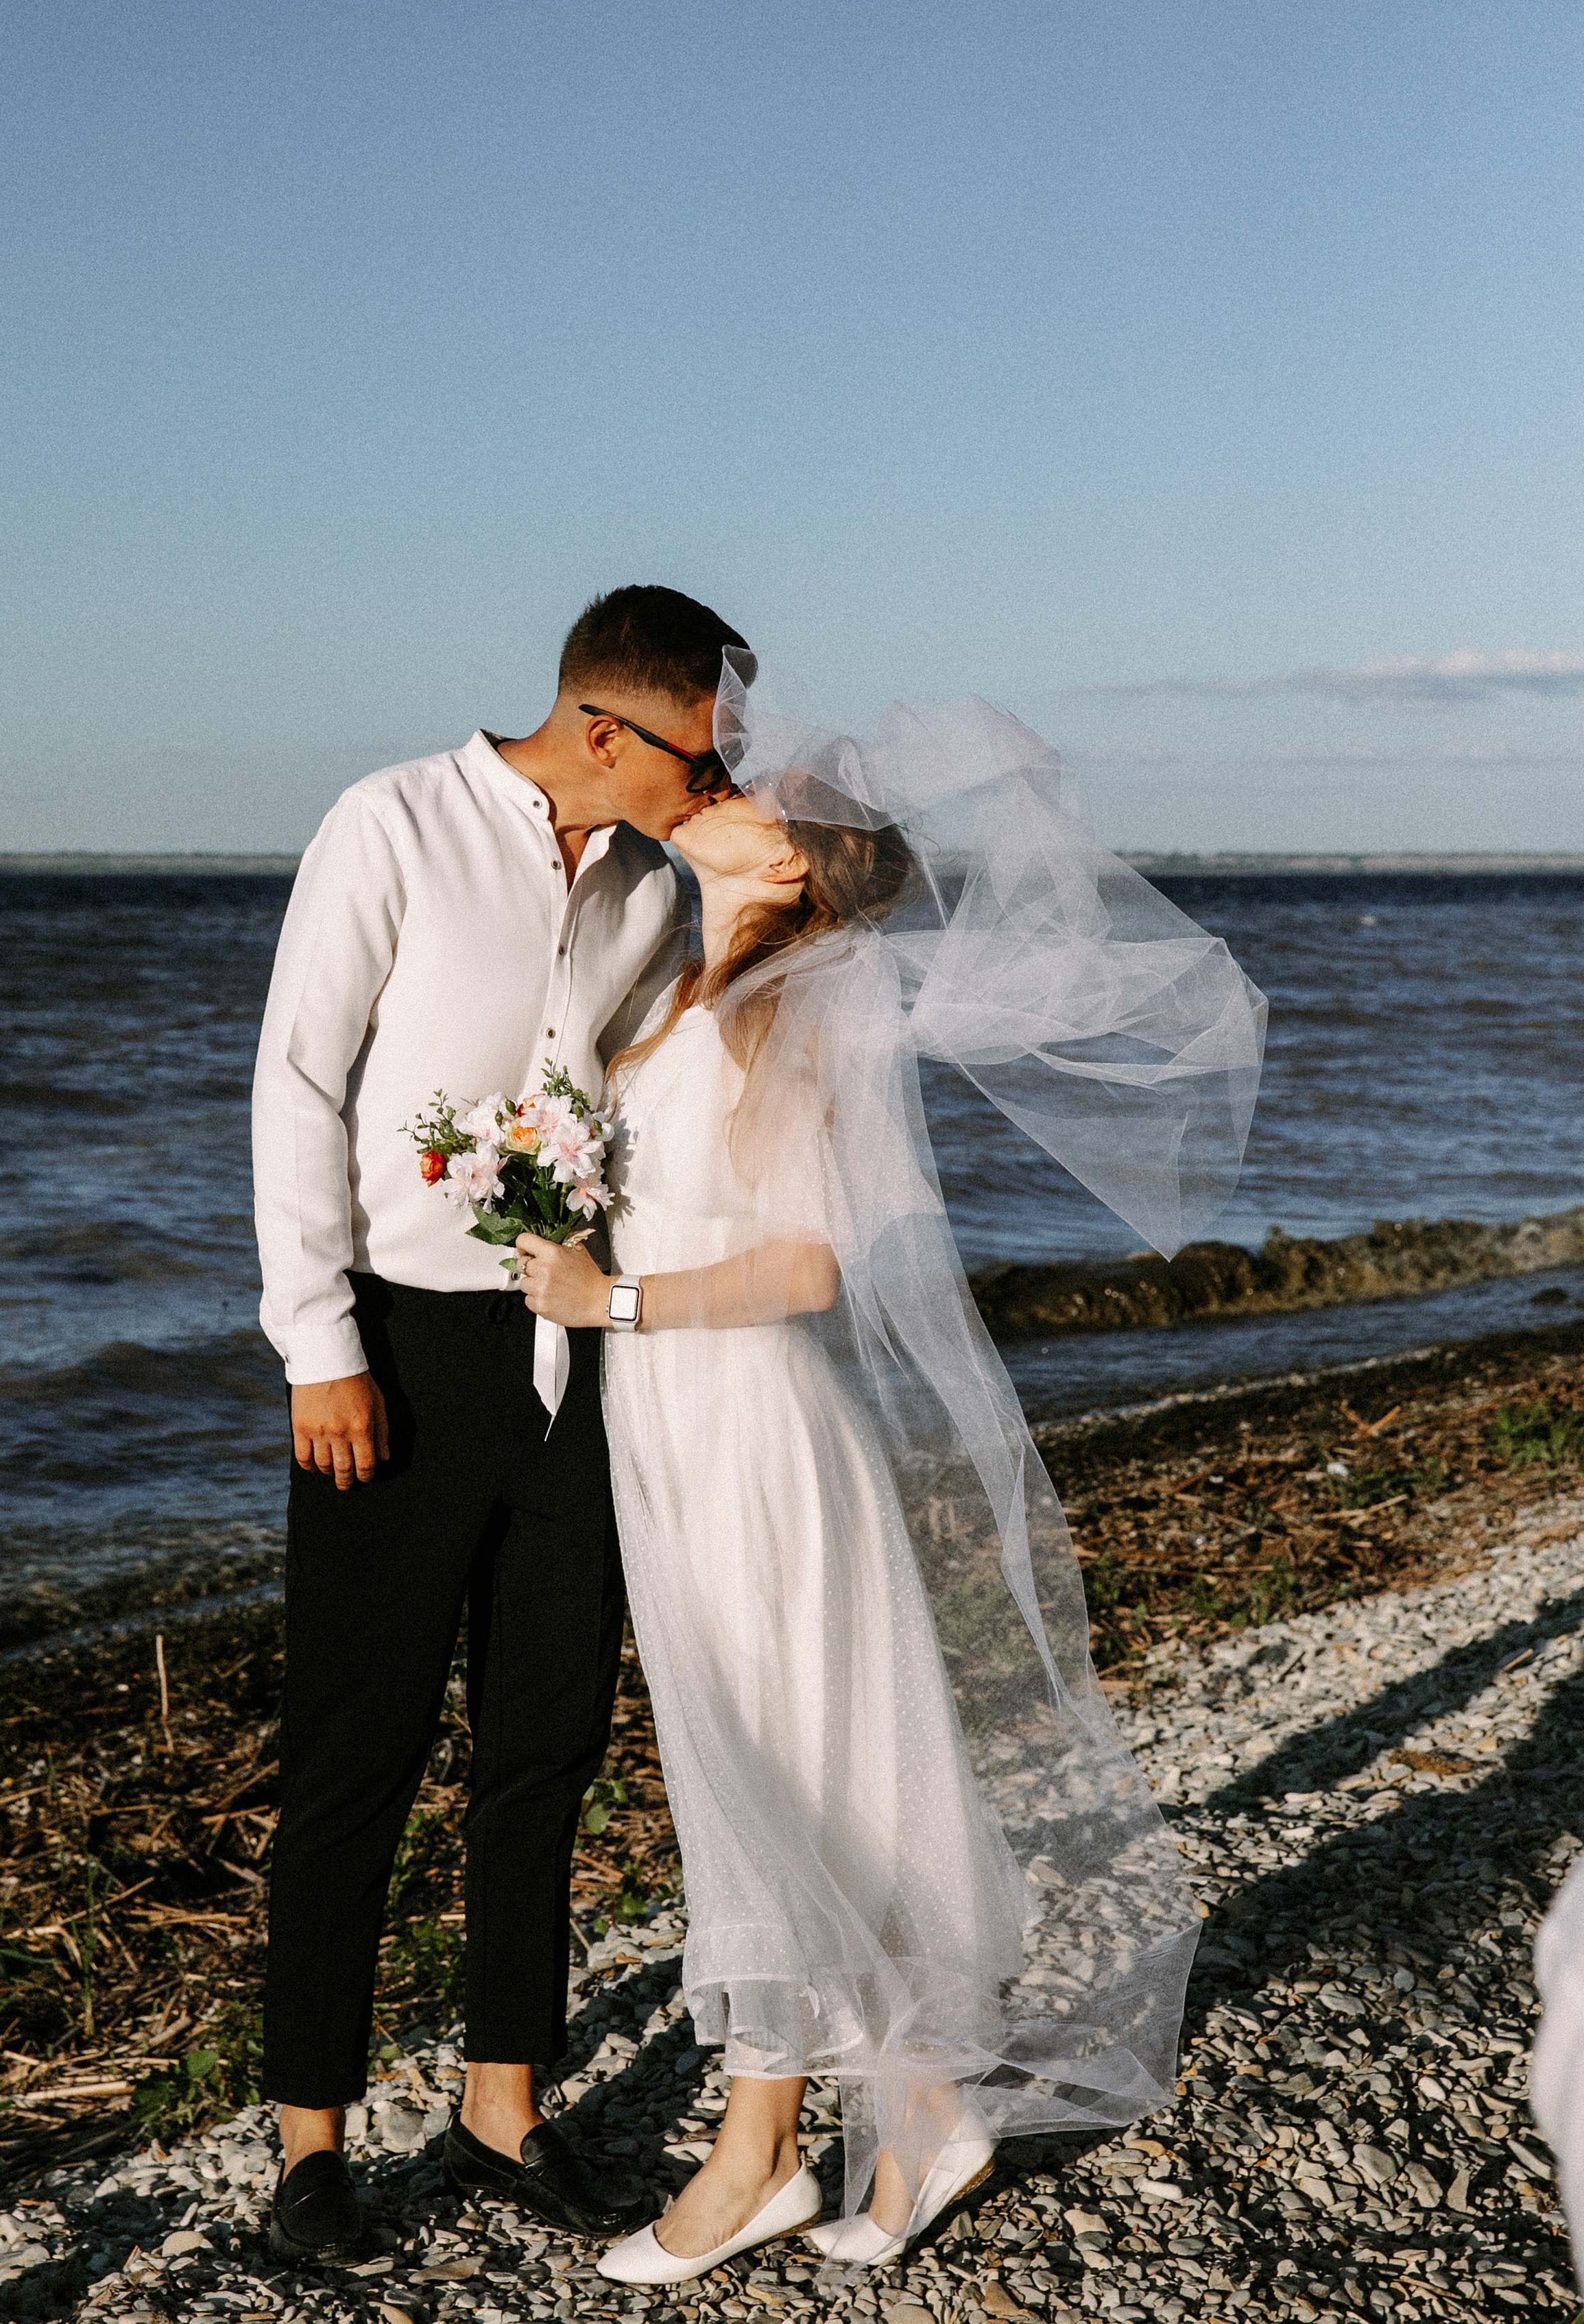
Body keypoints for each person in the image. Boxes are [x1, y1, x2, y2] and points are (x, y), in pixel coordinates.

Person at [512, 656, 1268, 2282]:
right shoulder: (685, 979)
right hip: (676, 1423)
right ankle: (919, 2106)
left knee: (777, 1775)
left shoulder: (792, 1009)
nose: (705, 799)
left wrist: (608, 1294)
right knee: (787, 1772)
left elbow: (801, 1270)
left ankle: (755, 2159)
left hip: (751, 1426)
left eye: (735, 794)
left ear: (786, 860)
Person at [250, 585, 748, 2266]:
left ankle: (500, 2108)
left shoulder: (650, 888)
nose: (712, 778)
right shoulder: (387, 822)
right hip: (390, 1357)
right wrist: (318, 1344)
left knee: (543, 1747)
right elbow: (297, 1084)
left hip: (570, 1368)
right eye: (697, 749)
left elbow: (658, 1084)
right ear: (605, 728)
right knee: (354, 1756)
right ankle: (310, 2144)